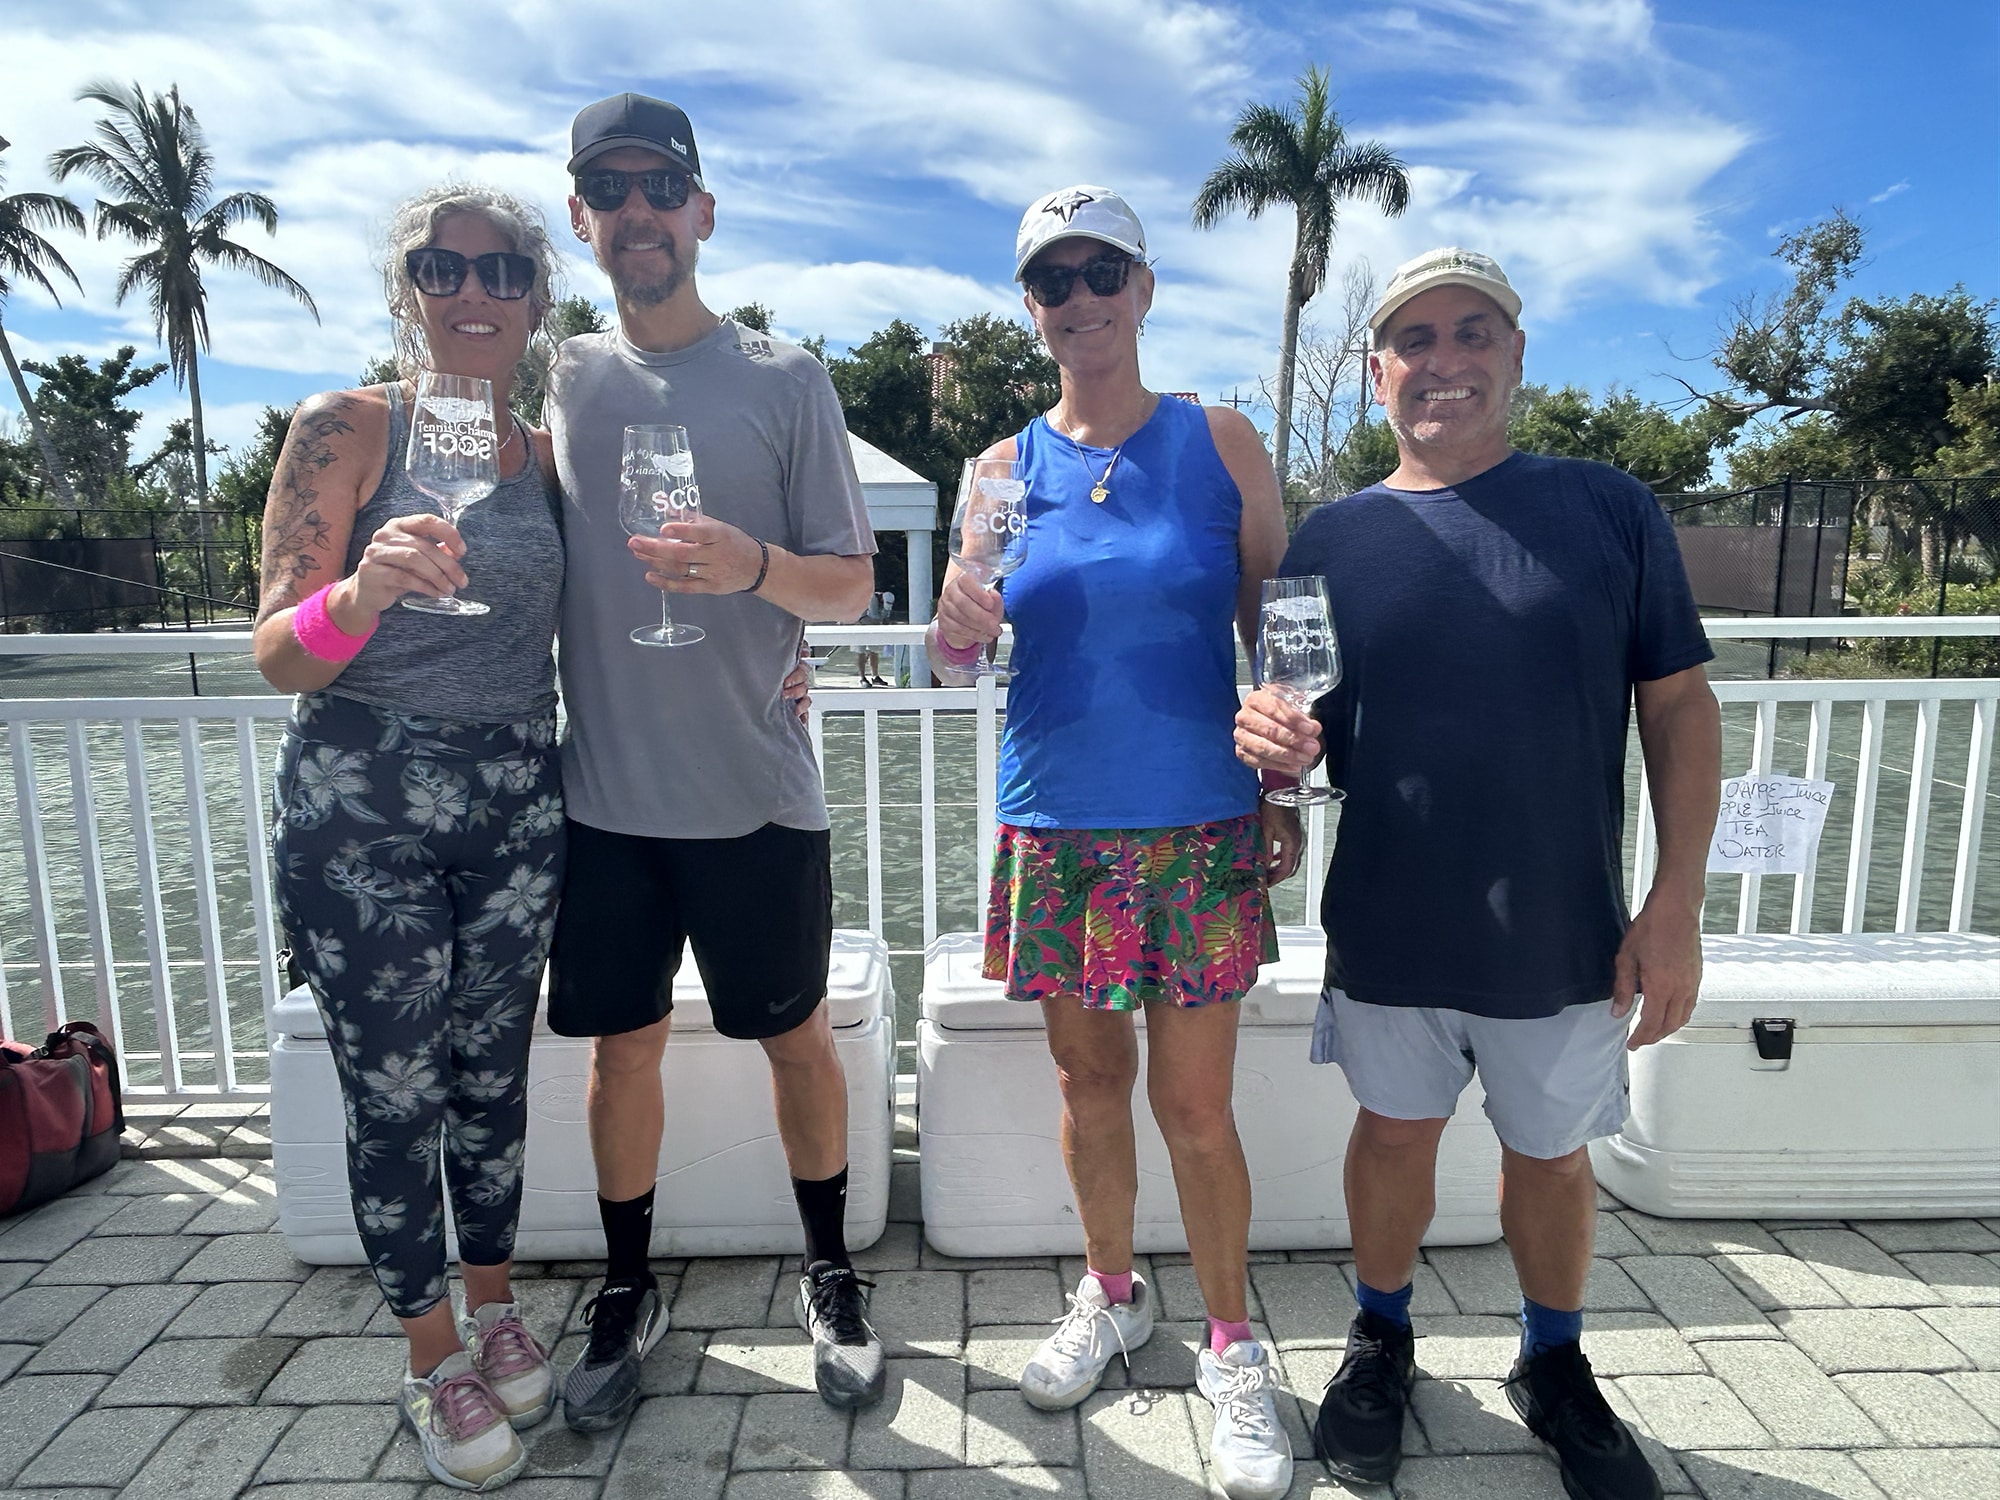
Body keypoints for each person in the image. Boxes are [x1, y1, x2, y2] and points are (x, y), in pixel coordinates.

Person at [1234, 247, 1721, 1500]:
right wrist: (1273, 764)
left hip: (1562, 924)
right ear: (1375, 369)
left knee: (1547, 1154)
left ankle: (1550, 1364)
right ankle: (1379, 1338)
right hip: (1391, 918)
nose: (1442, 362)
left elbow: (1675, 709)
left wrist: (1673, 907)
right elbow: (1303, 727)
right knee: (1391, 1134)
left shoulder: (1608, 507)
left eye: (1470, 334)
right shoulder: (1332, 536)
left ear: (1513, 352)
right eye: (1414, 341)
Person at [929, 185, 1298, 1500]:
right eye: (1052, 281)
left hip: (1197, 821)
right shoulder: (996, 470)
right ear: (1032, 309)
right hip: (1055, 824)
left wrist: (1289, 790)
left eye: (1102, 273)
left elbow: (1285, 632)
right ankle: (1111, 1293)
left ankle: (1235, 1344)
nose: (1079, 299)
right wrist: (956, 620)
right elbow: (952, 650)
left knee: (1195, 1108)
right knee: (1089, 1091)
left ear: (1143, 289)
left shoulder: (1220, 438)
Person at [542, 93, 883, 1429]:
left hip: (757, 797)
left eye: (659, 189)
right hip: (606, 806)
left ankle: (831, 1270)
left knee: (797, 1042)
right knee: (620, 1059)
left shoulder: (789, 378)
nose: (638, 213)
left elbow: (852, 589)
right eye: (609, 193)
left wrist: (750, 570)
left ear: (704, 212)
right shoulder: (560, 377)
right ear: (584, 220)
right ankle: (629, 1287)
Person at [255, 186, 567, 1492]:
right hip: (365, 802)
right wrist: (361, 588)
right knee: (396, 1094)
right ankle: (430, 1351)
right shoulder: (347, 428)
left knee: (493, 1082)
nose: (474, 292)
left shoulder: (548, 458)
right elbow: (277, 652)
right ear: (411, 290)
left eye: (501, 271)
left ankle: (490, 1302)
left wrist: (773, 664)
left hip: (515, 800)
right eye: (444, 268)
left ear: (538, 303)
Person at [856, 590, 892, 686]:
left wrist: (885, 619)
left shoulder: (885, 601)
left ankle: (875, 676)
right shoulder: (870, 598)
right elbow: (868, 618)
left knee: (874, 651)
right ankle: (862, 678)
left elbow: (884, 617)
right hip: (859, 625)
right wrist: (880, 622)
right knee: (861, 652)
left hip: (872, 626)